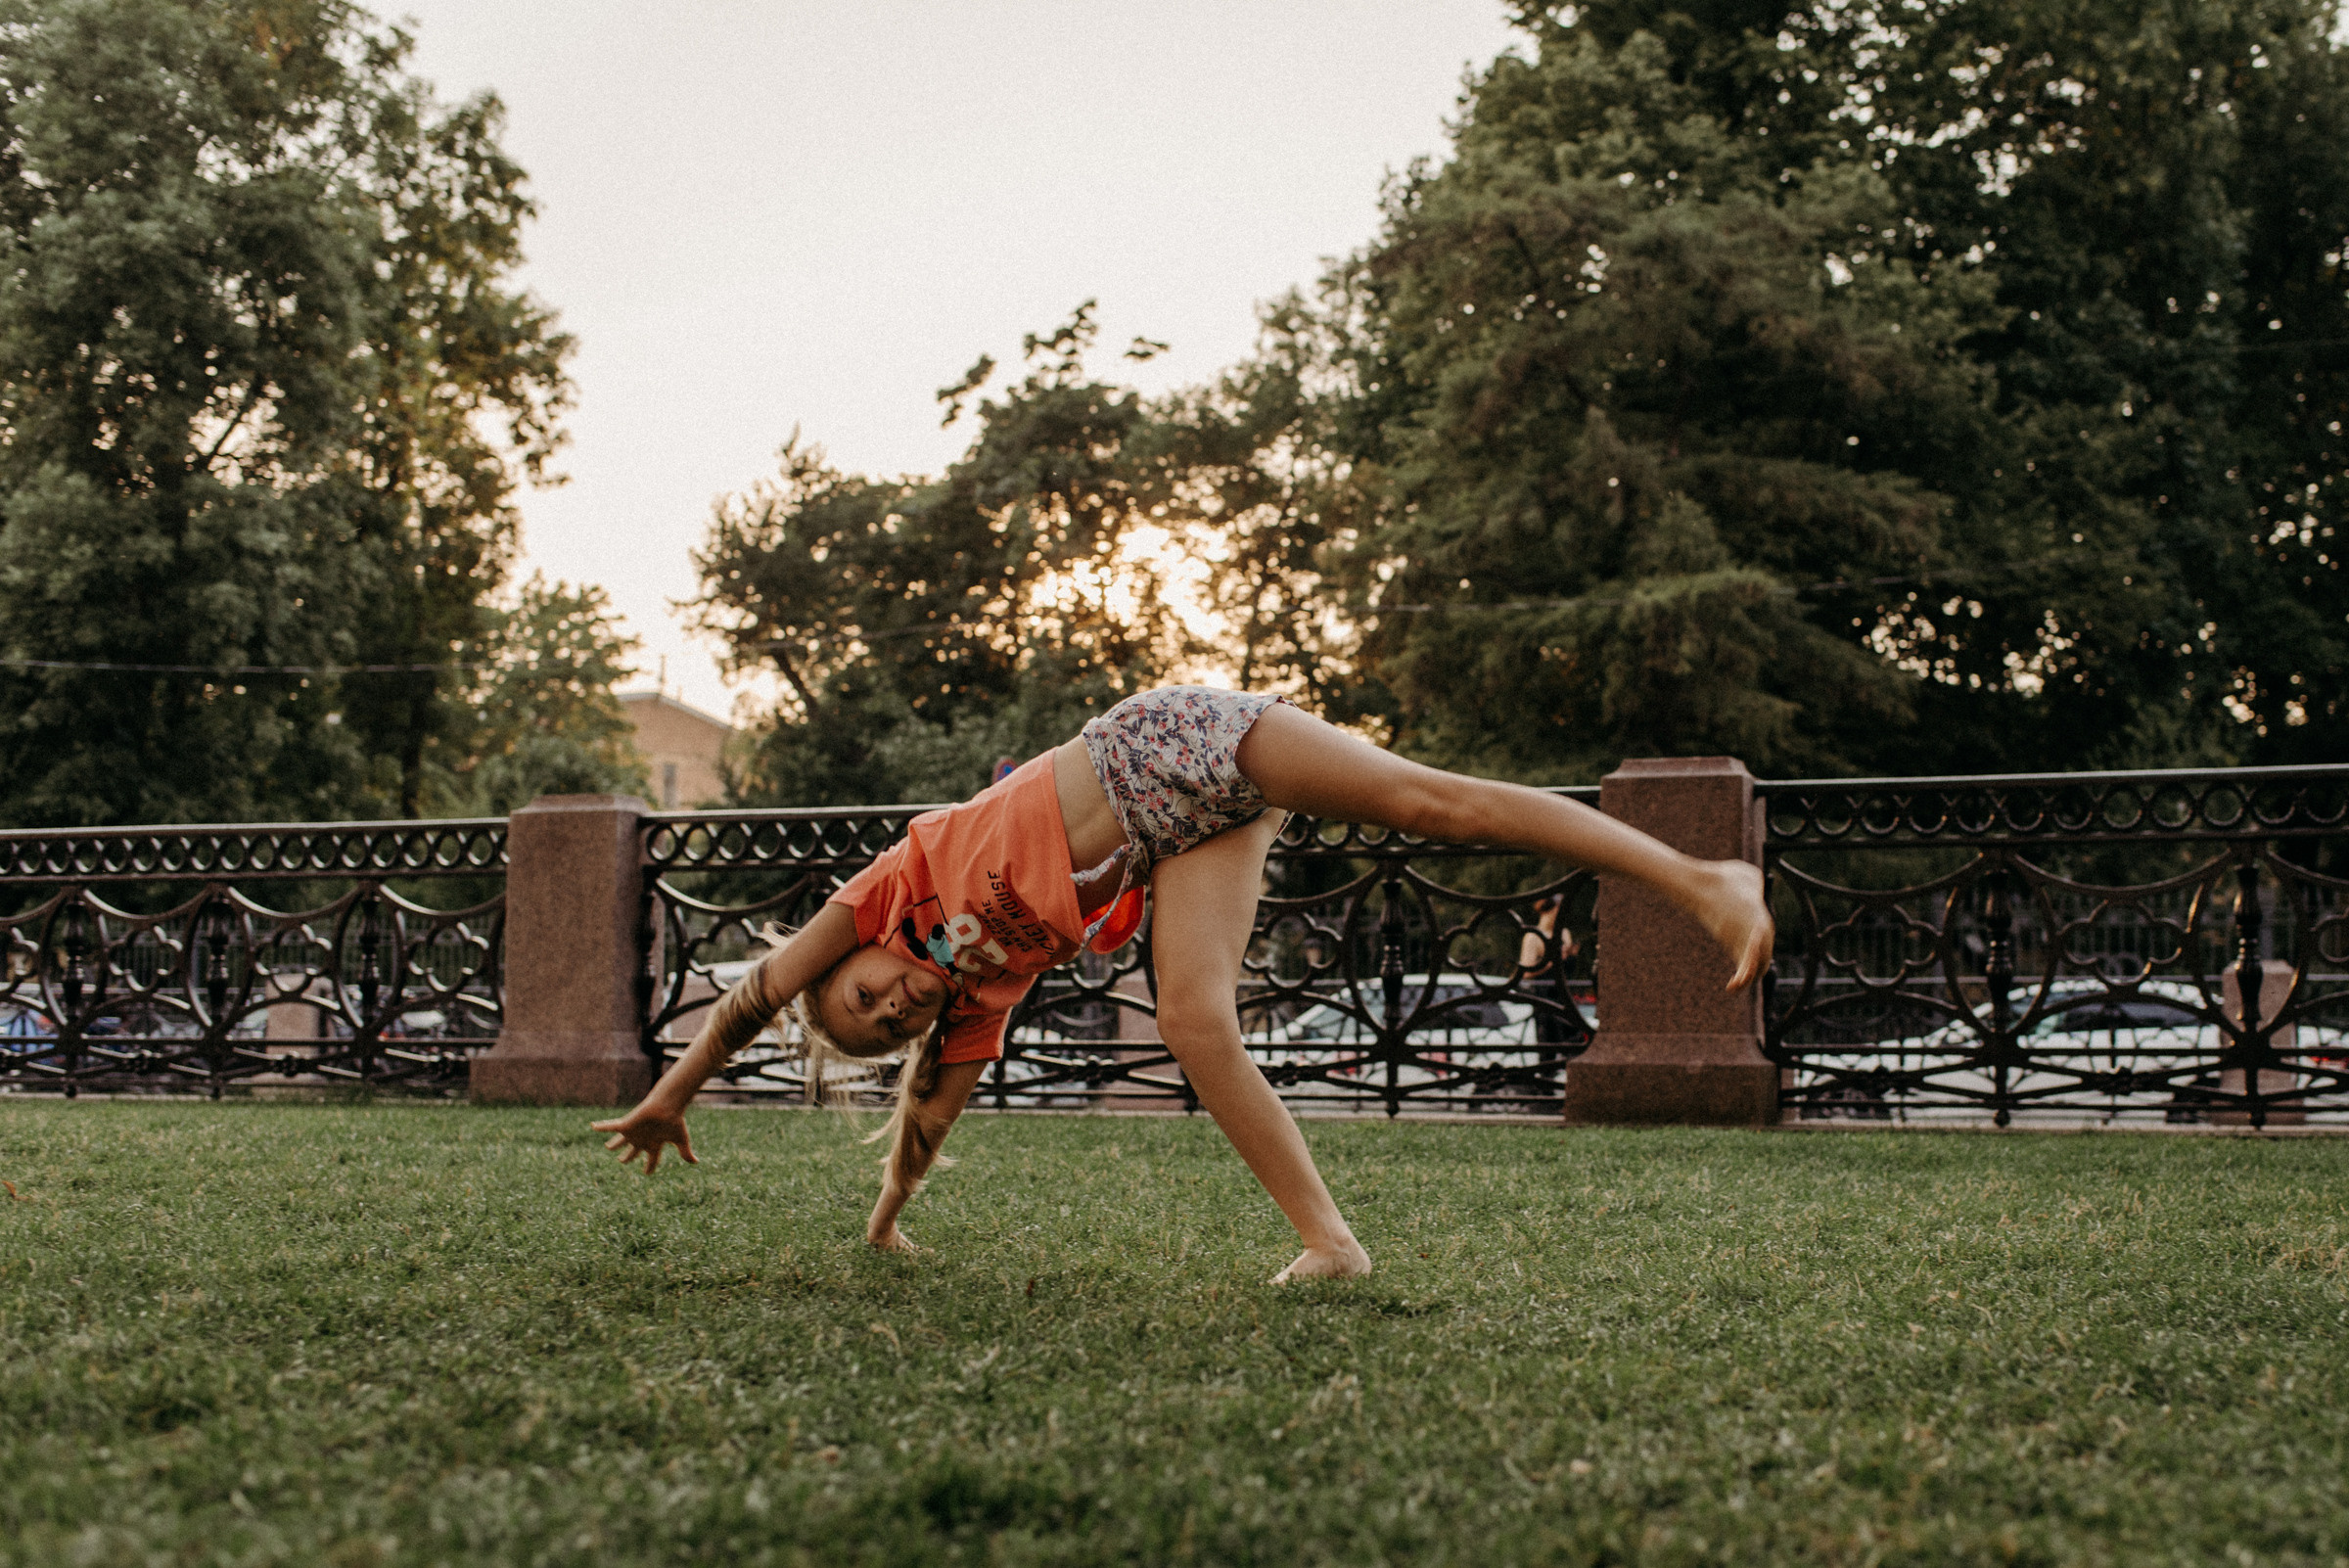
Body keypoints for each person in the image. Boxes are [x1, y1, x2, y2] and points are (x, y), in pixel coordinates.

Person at [592, 687, 1773, 1283]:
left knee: (1429, 802)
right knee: (1197, 1025)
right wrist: (887, 1223)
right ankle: (1332, 1244)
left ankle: (1696, 875)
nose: (890, 1005)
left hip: (1159, 746)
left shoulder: (896, 878)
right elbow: (925, 1120)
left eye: (862, 998)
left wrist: (672, 1095)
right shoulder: (976, 998)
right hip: (1178, 834)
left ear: (854, 957)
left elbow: (753, 996)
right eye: (887, 1025)